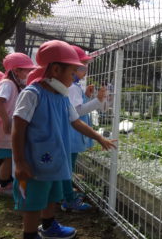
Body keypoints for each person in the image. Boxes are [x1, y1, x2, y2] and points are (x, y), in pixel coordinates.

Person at [12, 40, 116, 239]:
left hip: (55, 159)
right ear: (56, 69)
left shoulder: (62, 97)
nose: (74, 76)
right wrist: (19, 161)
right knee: (34, 199)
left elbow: (76, 122)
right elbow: (18, 126)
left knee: (52, 192)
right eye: (72, 72)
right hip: (33, 161)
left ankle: (49, 225)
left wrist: (98, 137)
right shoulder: (32, 94)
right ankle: (30, 234)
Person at [61, 45, 106, 212]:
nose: (85, 69)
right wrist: (97, 101)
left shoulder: (73, 85)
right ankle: (68, 199)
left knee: (67, 165)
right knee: (68, 167)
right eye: (83, 65)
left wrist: (86, 96)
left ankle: (65, 193)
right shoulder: (72, 87)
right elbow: (76, 112)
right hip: (72, 132)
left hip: (69, 132)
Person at [0, 54, 35, 196]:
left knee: (9, 157)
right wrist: (6, 120)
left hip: (8, 127)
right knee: (9, 157)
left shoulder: (14, 84)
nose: (29, 73)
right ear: (16, 71)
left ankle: (6, 183)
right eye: (26, 70)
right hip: (6, 128)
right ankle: (4, 186)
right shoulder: (7, 84)